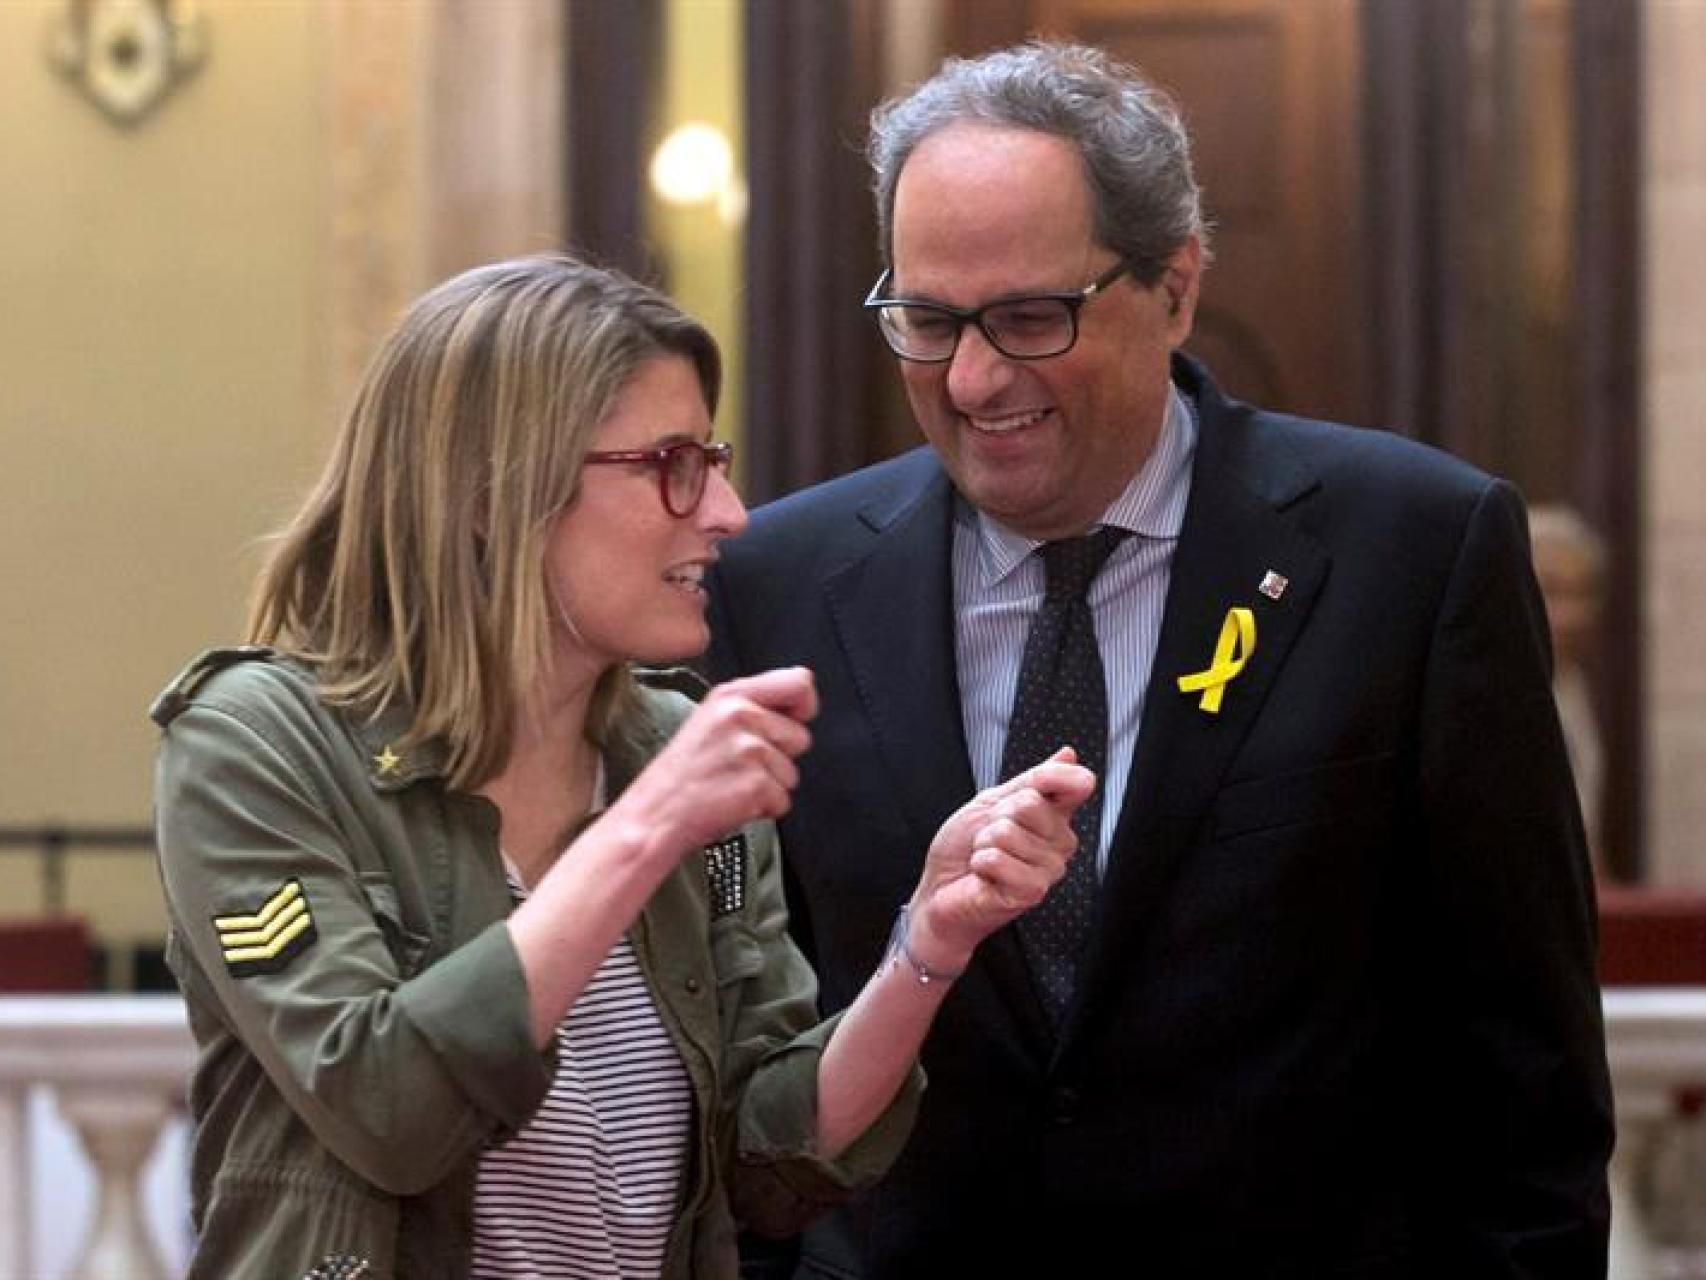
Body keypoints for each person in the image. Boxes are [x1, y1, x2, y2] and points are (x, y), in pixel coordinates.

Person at [705, 41, 1613, 1277]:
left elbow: (1523, 1071)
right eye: (925, 320)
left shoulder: (1409, 552)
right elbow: (742, 1056)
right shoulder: (778, 585)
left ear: (1174, 286)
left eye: (1029, 317)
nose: (972, 379)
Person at [149, 254, 1092, 1280]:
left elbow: (767, 1158)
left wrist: (930, 937)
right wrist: (643, 829)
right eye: (672, 463)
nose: (728, 511)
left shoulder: (670, 748)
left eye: (715, 458)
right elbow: (388, 1114)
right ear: (492, 490)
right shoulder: (255, 741)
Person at [1529, 503, 1610, 873]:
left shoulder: (1572, 679)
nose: (1570, 614)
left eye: (1582, 593)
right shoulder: (1493, 691)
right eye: (1552, 590)